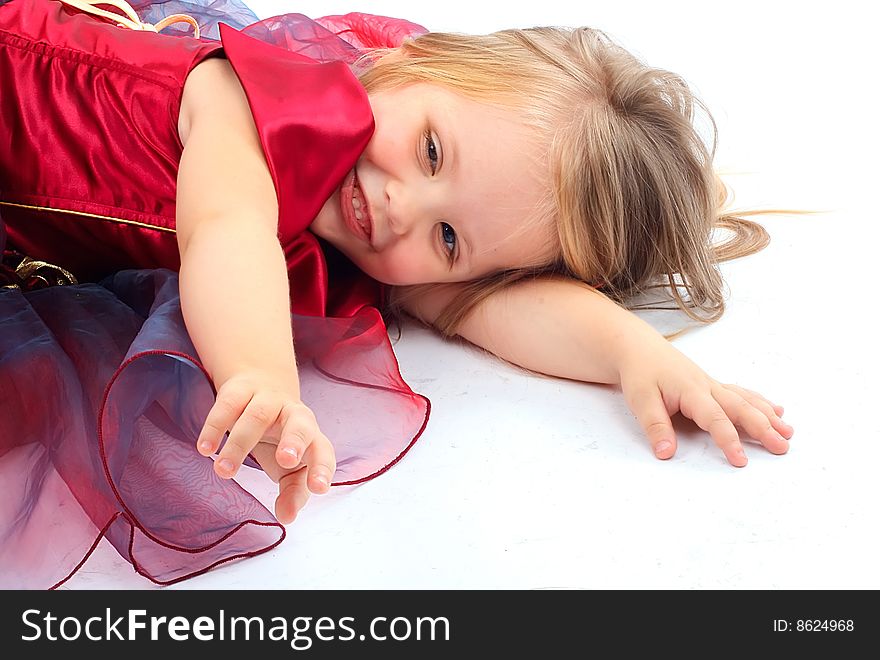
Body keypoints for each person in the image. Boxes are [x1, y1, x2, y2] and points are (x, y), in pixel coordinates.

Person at [0, 0, 793, 588]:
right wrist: (263, 376)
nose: (399, 207)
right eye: (431, 149)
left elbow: (489, 308)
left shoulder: (375, 260)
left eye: (450, 239)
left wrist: (633, 351)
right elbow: (225, 224)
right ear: (415, 70)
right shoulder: (259, 101)